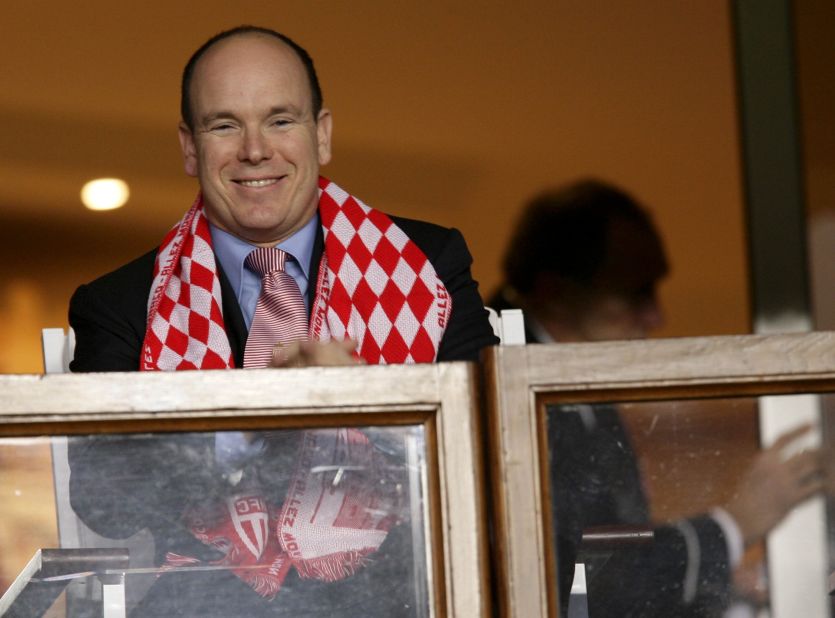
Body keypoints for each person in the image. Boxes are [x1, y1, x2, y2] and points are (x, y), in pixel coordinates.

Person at [67, 25, 497, 617]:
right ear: (190, 147)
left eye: (280, 120)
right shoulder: (119, 302)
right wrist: (240, 428)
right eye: (224, 125)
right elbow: (101, 496)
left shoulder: (426, 261)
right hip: (207, 605)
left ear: (321, 135)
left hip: (401, 597)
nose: (254, 150)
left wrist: (372, 401)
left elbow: (493, 448)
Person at [488, 179, 825, 617]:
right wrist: (733, 525)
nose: (657, 316)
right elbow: (572, 578)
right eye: (635, 291)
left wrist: (713, 581)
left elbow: (608, 546)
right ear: (555, 292)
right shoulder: (502, 382)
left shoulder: (561, 369)